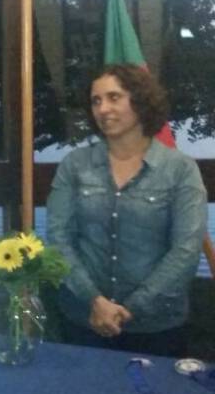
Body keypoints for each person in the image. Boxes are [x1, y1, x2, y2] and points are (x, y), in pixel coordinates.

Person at [47, 64, 207, 357]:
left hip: (157, 326)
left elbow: (186, 250)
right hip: (84, 320)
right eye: (96, 101)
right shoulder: (75, 165)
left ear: (141, 101)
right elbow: (59, 238)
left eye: (114, 97)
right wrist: (95, 301)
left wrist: (130, 308)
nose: (103, 109)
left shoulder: (180, 170)